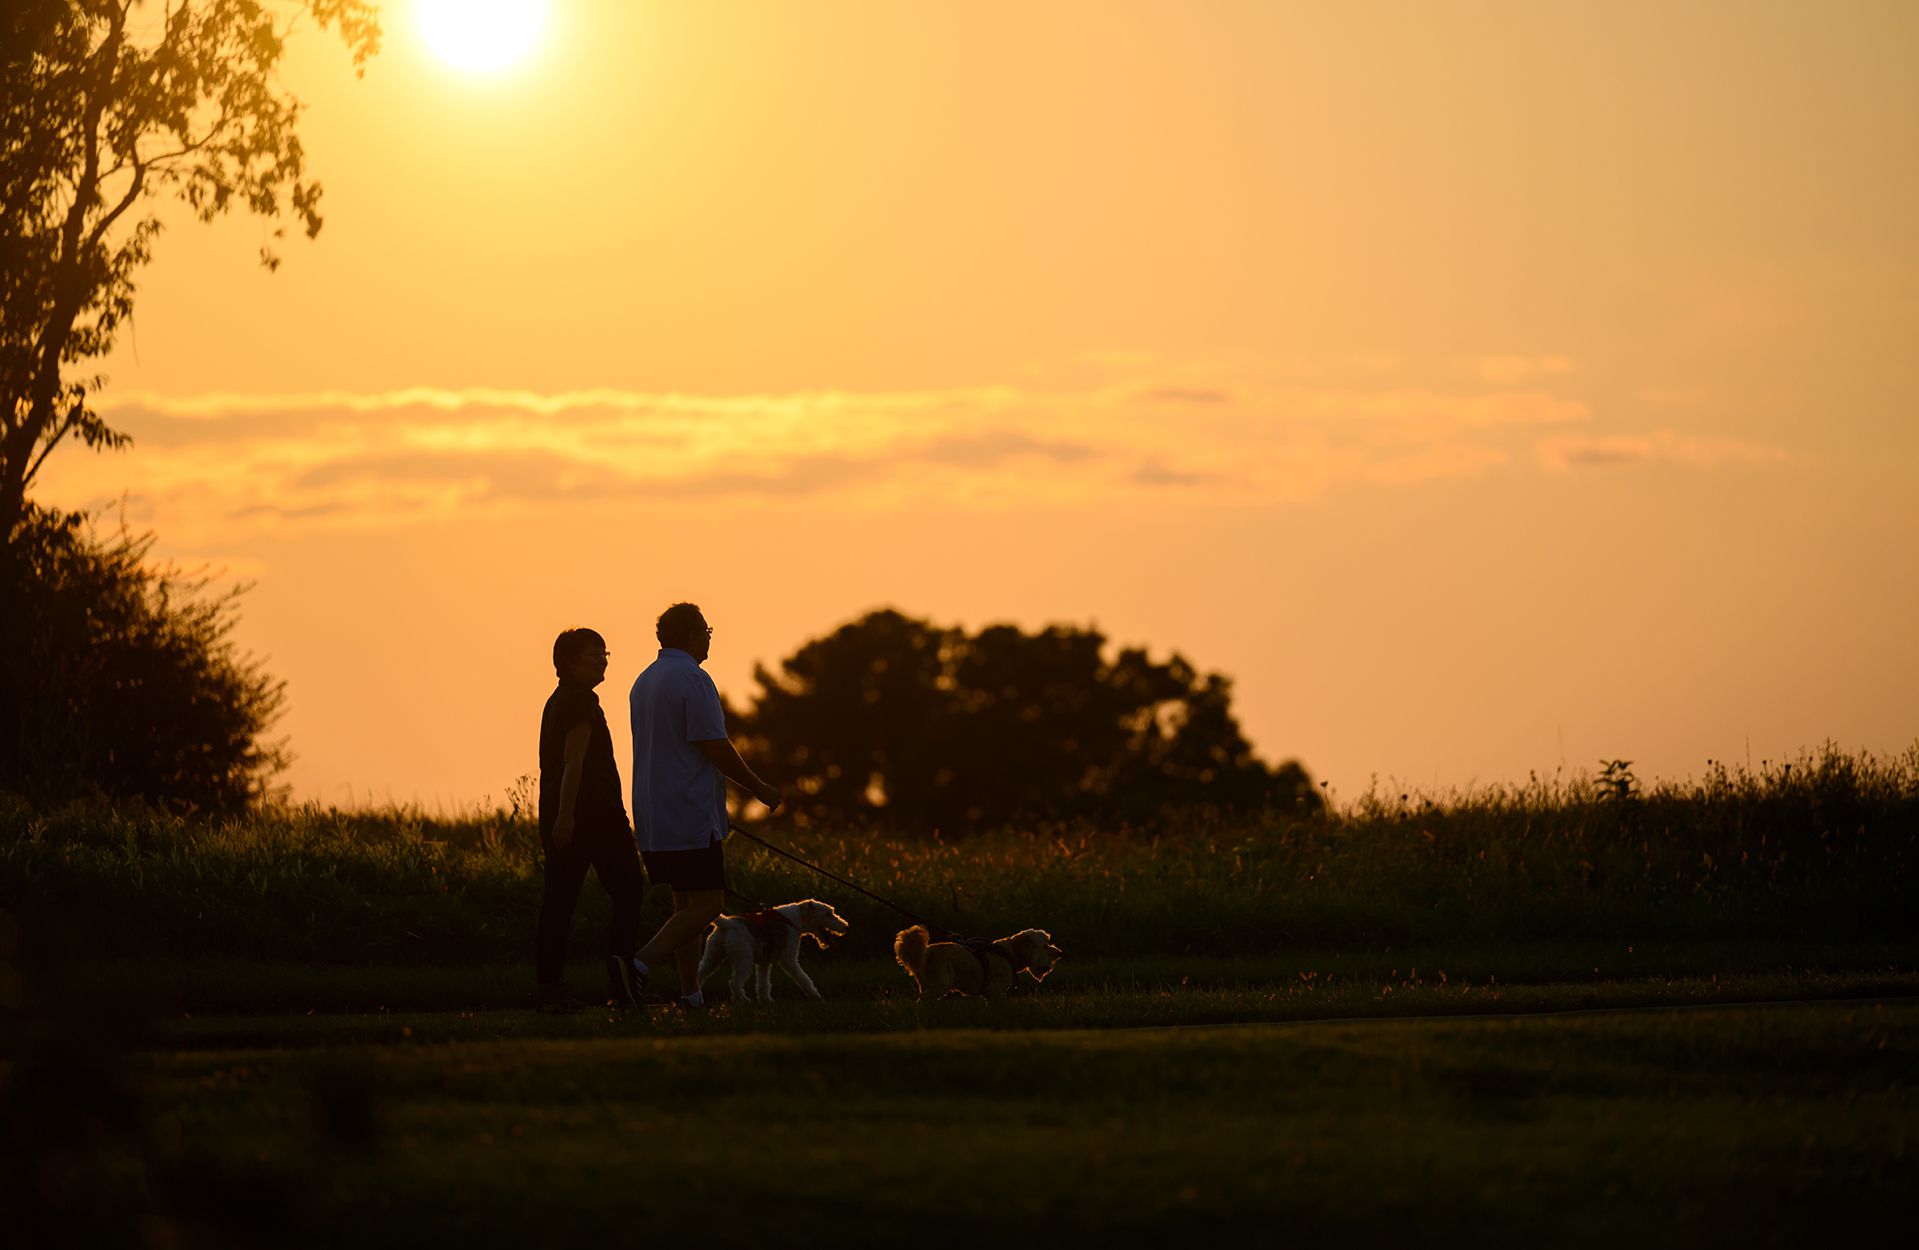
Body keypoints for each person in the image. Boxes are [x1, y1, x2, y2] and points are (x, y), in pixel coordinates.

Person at [618, 602, 783, 1008]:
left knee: (685, 905)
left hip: (654, 813)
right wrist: (759, 787)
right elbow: (716, 747)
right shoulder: (694, 679)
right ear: (693, 634)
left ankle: (691, 994)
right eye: (707, 630)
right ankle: (637, 965)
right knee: (709, 904)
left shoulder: (645, 680)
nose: (710, 637)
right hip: (689, 811)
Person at [536, 627, 649, 1012]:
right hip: (592, 819)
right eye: (593, 654)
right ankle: (620, 978)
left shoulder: (560, 700)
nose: (602, 660)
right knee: (629, 889)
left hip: (566, 815)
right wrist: (566, 818)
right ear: (568, 662)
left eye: (605, 652)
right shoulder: (579, 702)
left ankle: (550, 987)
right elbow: (574, 762)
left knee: (559, 902)